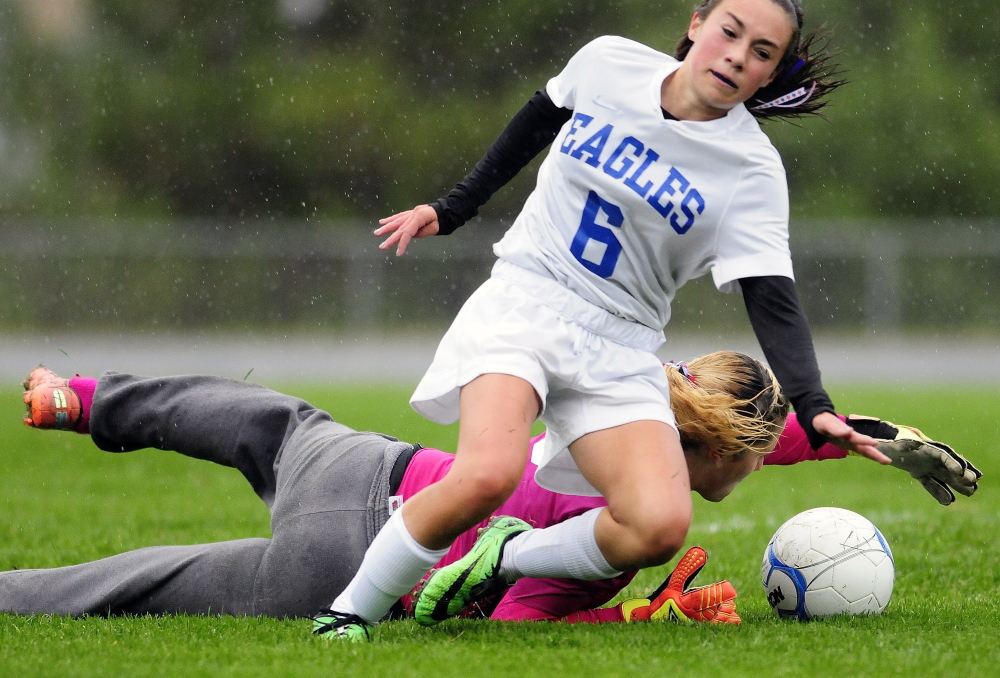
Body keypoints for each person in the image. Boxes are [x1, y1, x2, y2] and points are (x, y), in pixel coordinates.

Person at [327, 0, 888, 639]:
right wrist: (453, 207)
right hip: (528, 300)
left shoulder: (752, 169)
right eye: (730, 31)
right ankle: (346, 616)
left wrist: (814, 403)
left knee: (657, 525)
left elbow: (771, 295)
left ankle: (502, 558)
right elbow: (539, 117)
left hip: (621, 344)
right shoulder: (608, 63)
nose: (737, 54)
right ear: (697, 23)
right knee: (487, 472)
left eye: (762, 52)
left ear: (770, 73)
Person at [12, 355, 979, 638]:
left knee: (263, 418)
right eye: (757, 459)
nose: (762, 468)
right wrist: (635, 620)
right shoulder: (642, 523)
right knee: (141, 590)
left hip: (362, 466)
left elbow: (739, 431)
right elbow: (507, 615)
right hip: (345, 565)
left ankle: (82, 398)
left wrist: (860, 438)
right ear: (717, 455)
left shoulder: (632, 403)